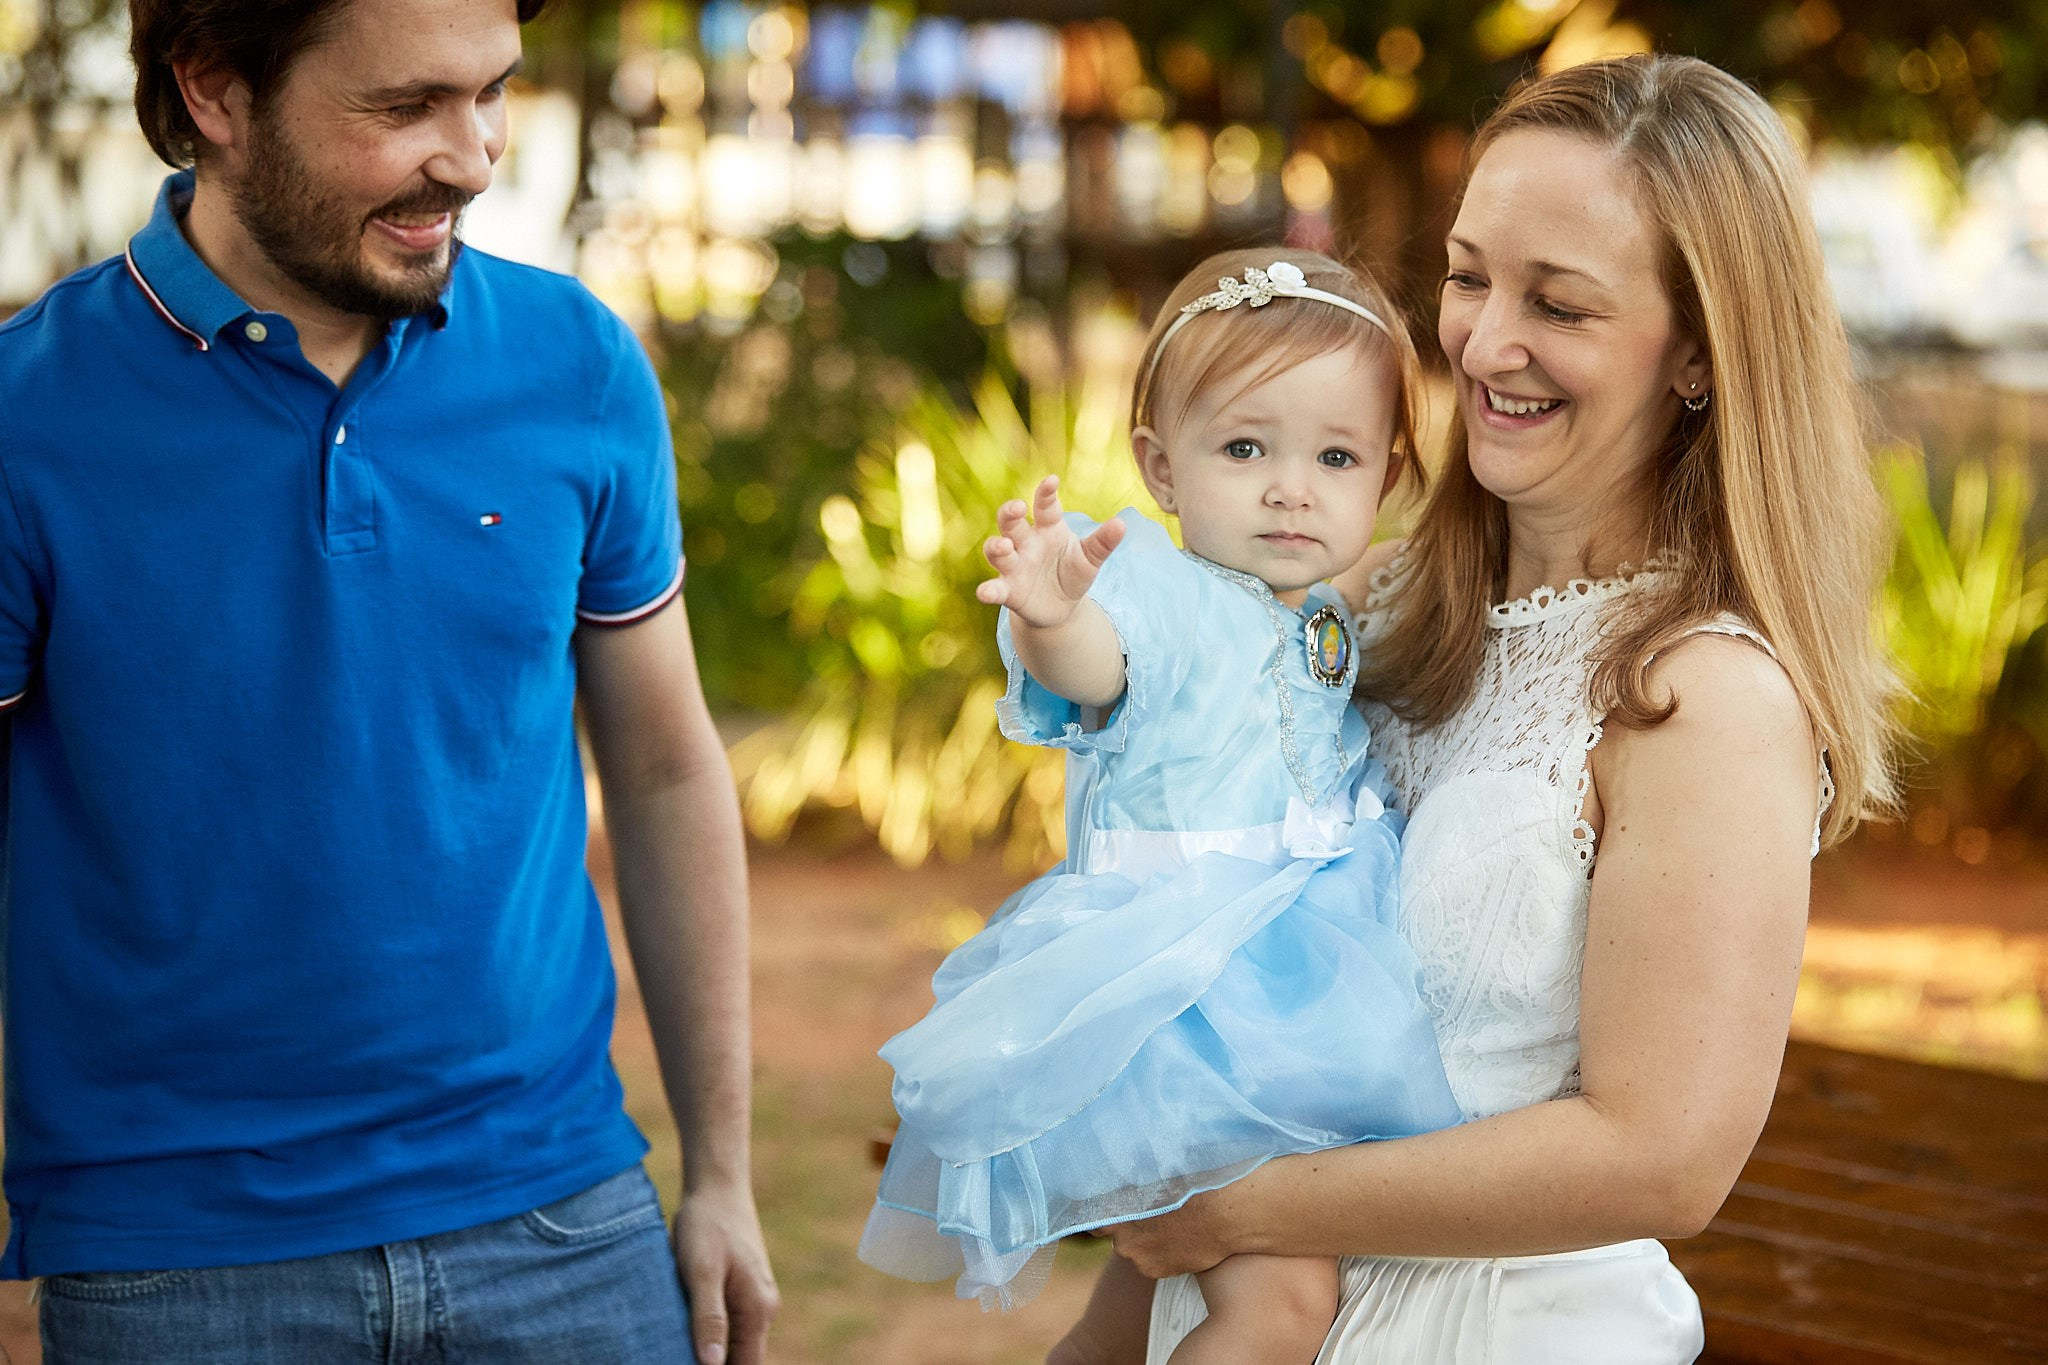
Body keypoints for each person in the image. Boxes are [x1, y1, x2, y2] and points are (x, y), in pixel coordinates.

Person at [0, 0, 776, 1361]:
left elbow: (662, 770)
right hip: (175, 1264)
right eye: (405, 108)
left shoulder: (576, 364)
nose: (472, 157)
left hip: (561, 1221)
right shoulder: (28, 419)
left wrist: (720, 1174)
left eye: (490, 97)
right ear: (217, 92)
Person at [1100, 54, 1898, 1365]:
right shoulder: (1373, 602)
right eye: (1469, 276)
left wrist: (1237, 1210)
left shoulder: (1705, 697)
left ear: (1698, 352)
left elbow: (1662, 1158)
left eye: (1559, 305)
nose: (1482, 340)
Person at [857, 249, 1464, 1365]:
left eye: (1335, 456)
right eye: (1244, 448)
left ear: (1382, 478)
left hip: (1292, 995)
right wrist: (1050, 614)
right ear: (1161, 467)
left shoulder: (1322, 598)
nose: (1290, 486)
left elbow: (1411, 570)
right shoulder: (1154, 585)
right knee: (1274, 1307)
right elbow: (1099, 663)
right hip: (1193, 1009)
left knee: (1132, 1317)